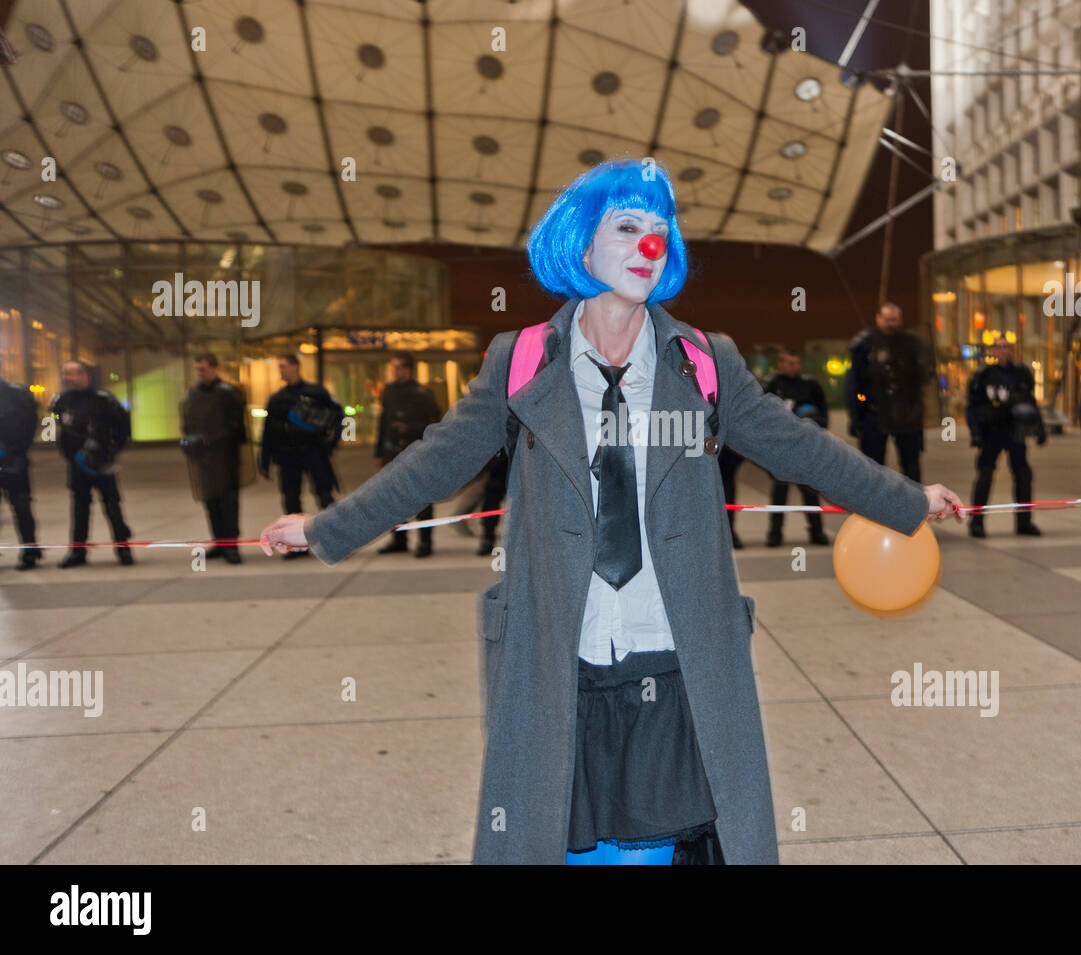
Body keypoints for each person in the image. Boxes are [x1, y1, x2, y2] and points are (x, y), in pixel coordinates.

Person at [259, 159, 962, 866]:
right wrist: (325, 527)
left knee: (652, 848)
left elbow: (801, 448)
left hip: (674, 657)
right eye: (627, 227)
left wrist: (906, 501)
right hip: (562, 657)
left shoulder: (705, 362)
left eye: (660, 231)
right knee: (561, 842)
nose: (648, 247)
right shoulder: (522, 360)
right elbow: (435, 460)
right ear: (583, 245)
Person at [50, 360, 133, 567]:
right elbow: (57, 428)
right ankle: (78, 552)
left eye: (72, 374)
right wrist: (67, 452)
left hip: (101, 462)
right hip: (77, 464)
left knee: (112, 506)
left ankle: (123, 550)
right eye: (65, 374)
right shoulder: (62, 401)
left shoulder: (103, 399)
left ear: (85, 375)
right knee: (79, 508)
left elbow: (124, 428)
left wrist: (111, 452)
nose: (67, 378)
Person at [259, 354, 342, 557]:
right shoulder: (277, 398)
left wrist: (332, 442)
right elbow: (268, 430)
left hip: (314, 451)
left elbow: (338, 415)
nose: (281, 370)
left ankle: (337, 540)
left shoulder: (316, 392)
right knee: (290, 499)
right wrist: (264, 458)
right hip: (289, 456)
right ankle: (295, 545)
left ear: (296, 367)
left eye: (284, 366)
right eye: (279, 366)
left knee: (325, 496)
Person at [965, 336, 1045, 538]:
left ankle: (1024, 522)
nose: (1002, 350)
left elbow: (1031, 402)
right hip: (992, 431)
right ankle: (977, 522)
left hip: (1015, 431)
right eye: (999, 347)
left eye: (1006, 347)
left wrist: (1039, 427)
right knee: (985, 474)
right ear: (993, 350)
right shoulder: (985, 374)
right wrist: (975, 433)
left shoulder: (1022, 373)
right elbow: (973, 406)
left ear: (1011, 350)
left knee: (1023, 475)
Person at [845, 302, 931, 483]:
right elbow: (855, 383)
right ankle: (874, 508)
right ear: (878, 318)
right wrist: (856, 414)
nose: (891, 323)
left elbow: (925, 376)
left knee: (911, 466)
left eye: (895, 319)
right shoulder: (865, 344)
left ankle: (912, 507)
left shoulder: (912, 343)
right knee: (873, 467)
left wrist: (901, 365)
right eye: (887, 319)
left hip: (906, 414)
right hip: (875, 412)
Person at [181, 352, 250, 564]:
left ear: (213, 368)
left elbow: (238, 428)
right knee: (211, 501)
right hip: (205, 459)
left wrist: (211, 439)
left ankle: (231, 545)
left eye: (203, 369)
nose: (200, 373)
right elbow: (188, 421)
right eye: (197, 369)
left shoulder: (228, 393)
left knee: (228, 503)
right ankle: (219, 542)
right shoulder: (194, 394)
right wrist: (190, 440)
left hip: (226, 457)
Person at [373, 352, 442, 558]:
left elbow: (435, 424)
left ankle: (425, 542)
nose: (393, 371)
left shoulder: (423, 393)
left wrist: (409, 427)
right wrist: (379, 451)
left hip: (417, 451)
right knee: (395, 498)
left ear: (407, 369)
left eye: (397, 367)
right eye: (392, 367)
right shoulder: (389, 391)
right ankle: (399, 539)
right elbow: (383, 422)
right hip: (393, 451)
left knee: (422, 499)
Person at [762, 348, 830, 547]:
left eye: (797, 363)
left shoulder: (810, 385)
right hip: (780, 447)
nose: (794, 367)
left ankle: (816, 532)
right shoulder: (772, 385)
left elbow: (823, 413)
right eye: (790, 363)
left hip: (806, 447)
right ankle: (775, 534)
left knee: (810, 492)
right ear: (781, 364)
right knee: (779, 493)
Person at [0, 368, 41, 570]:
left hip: (14, 461)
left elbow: (30, 424)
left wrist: (15, 449)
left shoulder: (17, 395)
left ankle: (30, 551)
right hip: (13, 457)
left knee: (22, 508)